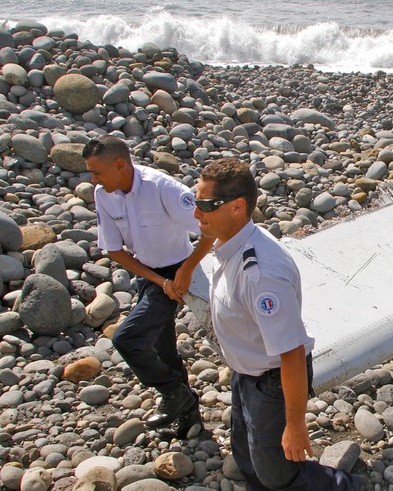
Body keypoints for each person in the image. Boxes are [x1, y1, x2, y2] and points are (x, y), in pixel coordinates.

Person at [192, 158, 369, 491]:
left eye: (204, 205)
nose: (195, 213)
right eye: (194, 201)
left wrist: (295, 423)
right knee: (247, 451)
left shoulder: (261, 275)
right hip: (247, 373)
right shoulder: (229, 244)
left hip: (272, 380)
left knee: (279, 472)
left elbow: (291, 352)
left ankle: (346, 486)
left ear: (237, 207)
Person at [83, 136, 214, 438]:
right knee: (162, 346)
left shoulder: (161, 187)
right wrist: (158, 281)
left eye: (97, 172)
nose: (93, 180)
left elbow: (209, 227)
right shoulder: (104, 194)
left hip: (179, 268)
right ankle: (188, 415)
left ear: (119, 164)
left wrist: (186, 270)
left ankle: (174, 394)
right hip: (151, 275)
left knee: (128, 339)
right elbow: (114, 250)